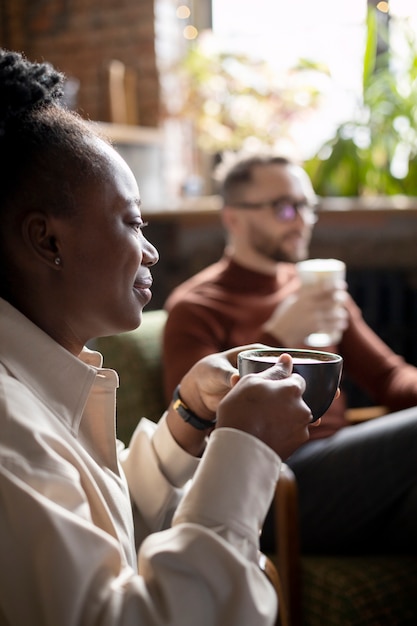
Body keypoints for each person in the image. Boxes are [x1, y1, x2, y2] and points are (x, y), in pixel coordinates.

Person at [0, 50, 315, 626]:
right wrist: (244, 448)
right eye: (132, 221)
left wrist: (188, 419)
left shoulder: (36, 386)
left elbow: (106, 526)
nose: (152, 251)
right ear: (48, 242)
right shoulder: (6, 423)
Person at [163, 154, 417, 555]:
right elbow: (194, 431)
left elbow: (390, 379)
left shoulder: (314, 289)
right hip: (273, 482)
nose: (301, 220)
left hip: (348, 467)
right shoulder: (196, 306)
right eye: (283, 207)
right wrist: (278, 335)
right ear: (233, 217)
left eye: (307, 206)